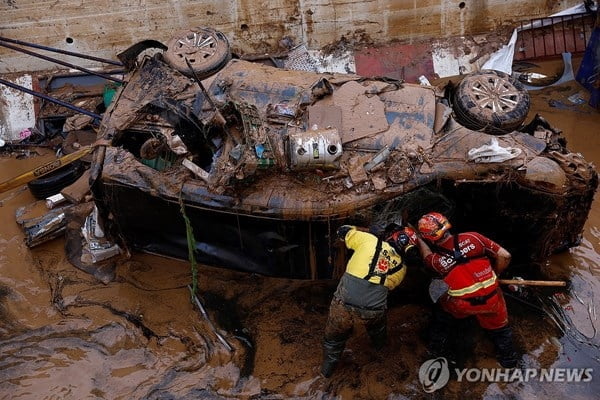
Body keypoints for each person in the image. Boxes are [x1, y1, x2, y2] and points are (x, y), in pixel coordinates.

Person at [414, 212, 518, 368]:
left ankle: (436, 345)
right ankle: (509, 362)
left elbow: (426, 255)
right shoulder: (474, 237)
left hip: (462, 305)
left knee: (443, 310)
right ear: (447, 225)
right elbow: (506, 256)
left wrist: (419, 240)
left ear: (430, 238)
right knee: (501, 331)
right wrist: (495, 273)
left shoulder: (436, 262)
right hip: (492, 299)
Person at [320, 224, 415, 378]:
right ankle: (380, 351)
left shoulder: (369, 240)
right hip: (373, 310)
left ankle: (326, 372)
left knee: (334, 339)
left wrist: (369, 230)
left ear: (391, 236)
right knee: (377, 328)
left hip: (343, 304)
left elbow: (342, 231)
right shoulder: (402, 268)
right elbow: (389, 286)